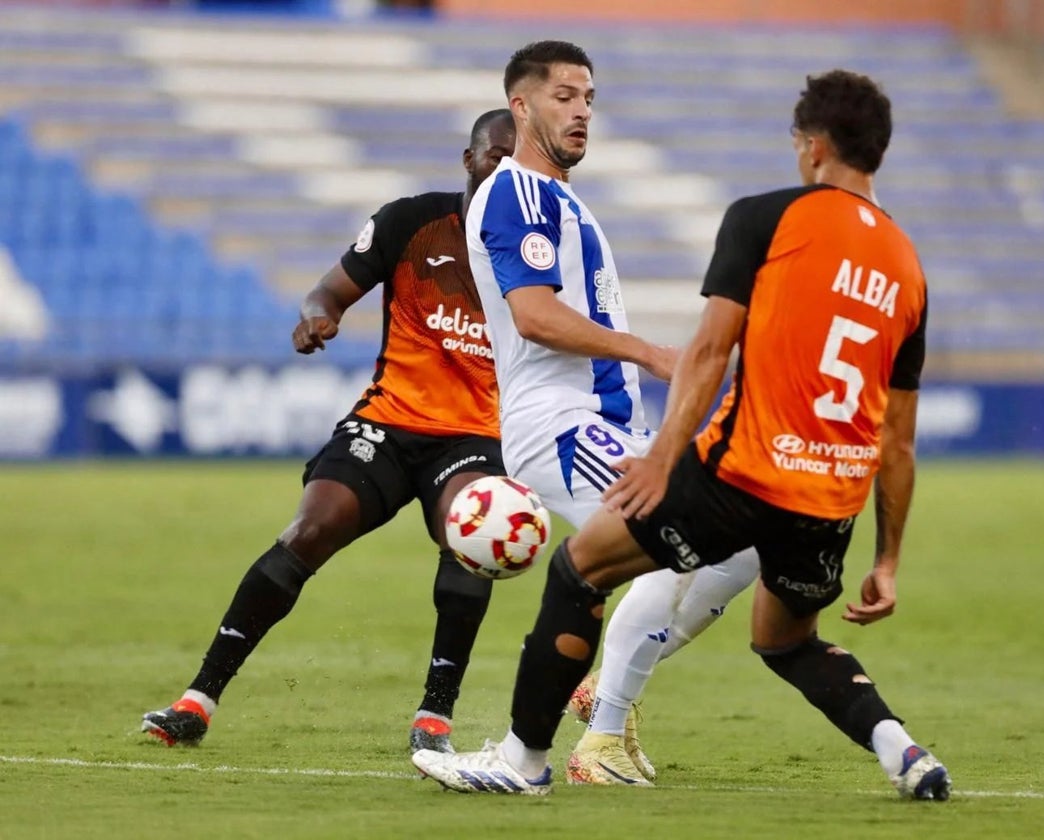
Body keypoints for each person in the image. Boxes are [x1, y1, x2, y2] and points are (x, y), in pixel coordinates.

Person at [412, 69, 953, 801]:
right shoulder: (906, 264)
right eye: (568, 97)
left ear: (815, 146)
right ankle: (904, 753)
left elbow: (707, 354)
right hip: (830, 495)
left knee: (583, 569)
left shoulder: (766, 218)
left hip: (741, 467)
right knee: (786, 639)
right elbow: (898, 441)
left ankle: (535, 755)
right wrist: (888, 558)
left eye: (799, 143)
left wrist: (664, 459)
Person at [140, 109, 517, 754]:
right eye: (494, 156)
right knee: (307, 530)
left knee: (470, 540)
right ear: (468, 159)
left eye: (518, 162)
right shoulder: (410, 221)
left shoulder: (540, 248)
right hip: (390, 420)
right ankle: (197, 699)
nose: (505, 170)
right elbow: (328, 293)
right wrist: (316, 318)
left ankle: (435, 719)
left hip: (475, 433)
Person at [448, 39, 760, 786]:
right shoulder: (515, 191)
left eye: (589, 97)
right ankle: (598, 738)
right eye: (564, 96)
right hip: (556, 422)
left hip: (612, 425)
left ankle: (603, 699)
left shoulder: (565, 198)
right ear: (520, 106)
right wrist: (651, 353)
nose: (582, 111)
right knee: (671, 535)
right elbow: (533, 315)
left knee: (744, 542)